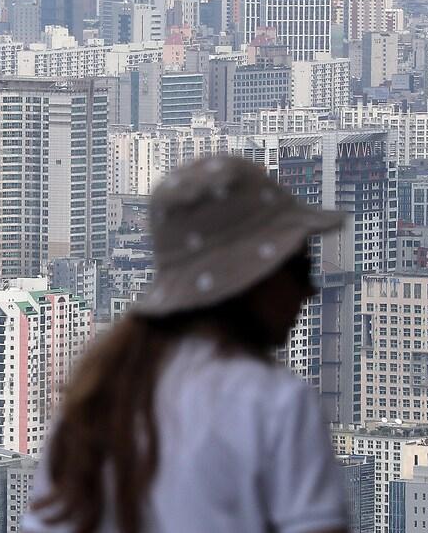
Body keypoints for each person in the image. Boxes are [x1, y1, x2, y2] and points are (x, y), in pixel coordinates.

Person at [23, 155, 350, 533]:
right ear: (255, 278)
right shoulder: (273, 404)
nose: (309, 292)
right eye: (299, 269)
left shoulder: (93, 402)